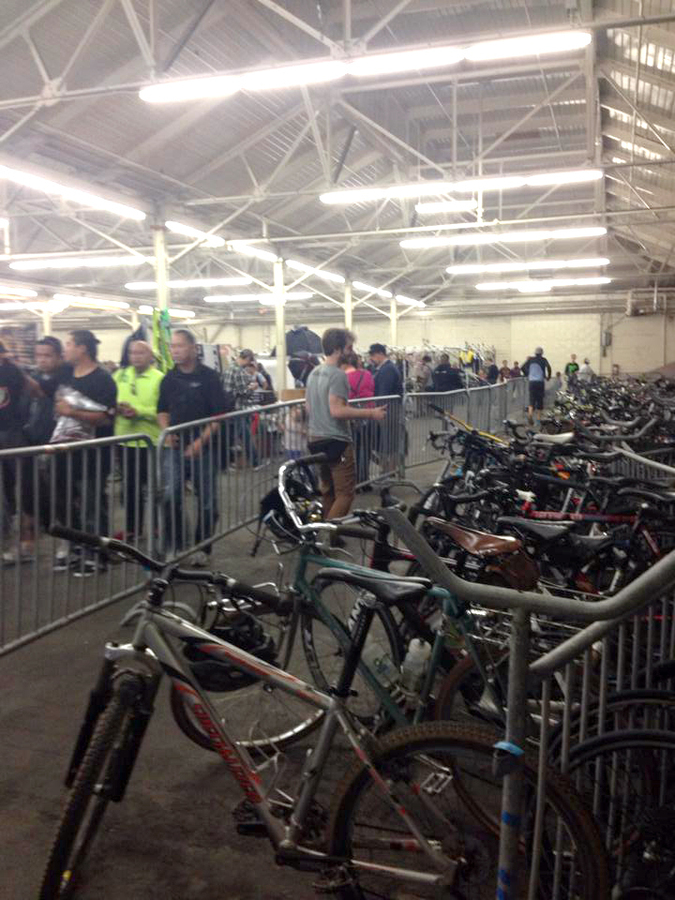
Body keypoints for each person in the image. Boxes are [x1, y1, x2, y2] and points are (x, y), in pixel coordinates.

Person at [158, 329, 230, 565]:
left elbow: (218, 416)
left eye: (179, 346)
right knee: (170, 496)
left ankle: (203, 546)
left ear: (192, 348)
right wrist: (166, 432)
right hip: (175, 447)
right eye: (172, 346)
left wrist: (201, 442)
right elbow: (162, 410)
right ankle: (176, 546)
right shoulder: (169, 379)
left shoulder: (210, 377)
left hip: (205, 448)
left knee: (208, 502)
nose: (175, 350)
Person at [50, 330, 117, 576]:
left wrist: (72, 412)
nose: (65, 349)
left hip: (93, 454)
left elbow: (105, 417)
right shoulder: (66, 374)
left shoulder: (103, 379)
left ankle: (98, 553)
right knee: (66, 504)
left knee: (92, 504)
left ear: (83, 348)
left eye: (69, 344)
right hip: (65, 450)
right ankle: (75, 548)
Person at [306, 329, 385, 520]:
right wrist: (370, 413)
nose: (351, 352)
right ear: (337, 349)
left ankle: (326, 538)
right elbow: (337, 410)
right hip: (337, 441)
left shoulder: (314, 373)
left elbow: (309, 407)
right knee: (345, 494)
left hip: (315, 439)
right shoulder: (338, 375)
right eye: (349, 347)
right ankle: (325, 538)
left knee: (328, 491)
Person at [113, 341, 163, 541]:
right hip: (124, 441)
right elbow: (110, 398)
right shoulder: (120, 375)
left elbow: (162, 409)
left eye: (140, 352)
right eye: (132, 352)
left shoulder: (160, 379)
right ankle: (133, 529)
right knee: (130, 489)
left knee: (154, 489)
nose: (135, 356)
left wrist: (139, 412)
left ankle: (160, 526)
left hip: (150, 442)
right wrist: (116, 408)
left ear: (150, 355)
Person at [1, 340, 39, 562]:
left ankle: (26, 541)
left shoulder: (11, 372)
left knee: (21, 489)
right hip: (10, 434)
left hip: (12, 435)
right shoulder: (14, 370)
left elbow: (33, 391)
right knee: (10, 491)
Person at [369, 343, 403, 475]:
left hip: (387, 411)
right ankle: (390, 469)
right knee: (389, 442)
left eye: (372, 355)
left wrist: (378, 410)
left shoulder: (387, 369)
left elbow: (383, 393)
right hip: (390, 410)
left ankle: (389, 470)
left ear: (379, 354)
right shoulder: (387, 368)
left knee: (389, 443)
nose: (371, 359)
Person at [342, 352, 375, 487]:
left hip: (352, 416)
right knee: (366, 449)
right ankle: (365, 480)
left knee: (353, 451)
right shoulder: (367, 374)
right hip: (368, 413)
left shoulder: (343, 377)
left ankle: (354, 481)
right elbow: (372, 389)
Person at [222, 349, 258, 467]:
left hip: (228, 409)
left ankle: (226, 463)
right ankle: (255, 463)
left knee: (229, 438)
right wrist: (252, 388)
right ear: (247, 359)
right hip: (238, 409)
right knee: (246, 437)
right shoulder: (239, 372)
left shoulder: (227, 369)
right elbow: (244, 393)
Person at [521, 346, 552, 425]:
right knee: (540, 400)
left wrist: (527, 374)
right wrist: (548, 376)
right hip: (540, 382)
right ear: (542, 353)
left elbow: (522, 367)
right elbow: (549, 367)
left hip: (532, 382)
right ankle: (538, 420)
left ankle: (530, 414)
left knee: (532, 399)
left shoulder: (530, 359)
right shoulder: (544, 360)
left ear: (535, 353)